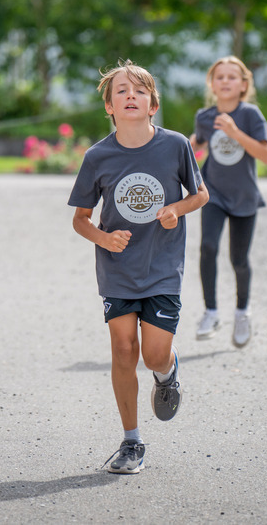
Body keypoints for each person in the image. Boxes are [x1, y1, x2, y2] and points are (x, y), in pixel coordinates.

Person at [68, 61, 209, 474]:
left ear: (153, 104)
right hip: (118, 269)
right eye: (121, 91)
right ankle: (132, 442)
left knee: (154, 354)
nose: (131, 95)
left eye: (140, 91)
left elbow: (199, 195)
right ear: (109, 107)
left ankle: (167, 374)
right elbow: (80, 219)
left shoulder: (175, 145)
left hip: (163, 266)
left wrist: (176, 210)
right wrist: (105, 239)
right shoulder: (98, 156)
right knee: (123, 348)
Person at [190, 56, 267, 348]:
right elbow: (199, 142)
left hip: (244, 196)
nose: (225, 81)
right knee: (208, 247)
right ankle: (211, 311)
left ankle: (241, 312)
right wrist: (180, 149)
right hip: (213, 192)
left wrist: (235, 132)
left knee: (238, 259)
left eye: (232, 77)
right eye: (219, 77)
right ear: (211, 84)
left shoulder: (251, 115)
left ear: (243, 85)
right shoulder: (205, 116)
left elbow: (265, 155)